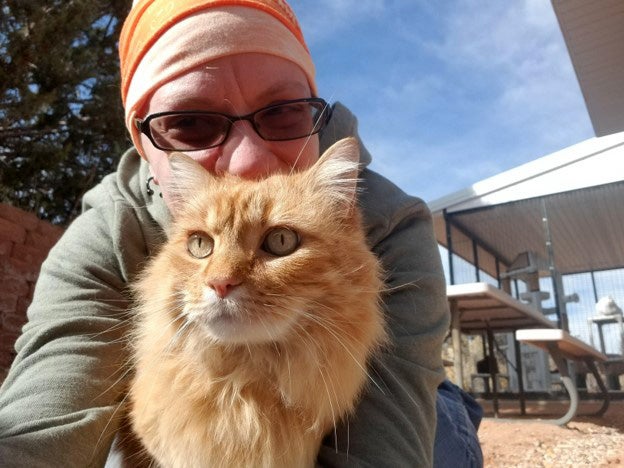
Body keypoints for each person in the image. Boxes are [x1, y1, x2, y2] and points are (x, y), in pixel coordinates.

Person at [0, 1, 482, 466]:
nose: (247, 160)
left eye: (283, 112)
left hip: (401, 399)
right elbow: (46, 410)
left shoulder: (391, 219)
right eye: (189, 124)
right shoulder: (110, 224)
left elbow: (391, 438)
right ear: (146, 149)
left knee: (439, 437)